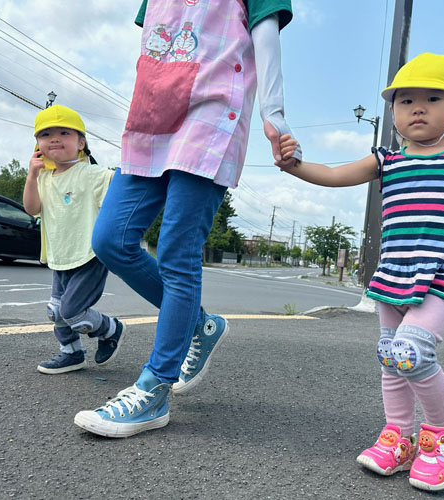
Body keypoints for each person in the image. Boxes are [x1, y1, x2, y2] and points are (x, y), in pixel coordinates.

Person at [276, 53, 444, 491]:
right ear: (393, 111)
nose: (417, 108)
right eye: (405, 101)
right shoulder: (387, 161)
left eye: (432, 98)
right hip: (395, 274)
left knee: (411, 353)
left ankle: (442, 434)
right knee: (390, 358)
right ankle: (398, 435)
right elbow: (332, 172)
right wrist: (295, 165)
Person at [73, 0, 300, 438]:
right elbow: (156, 43)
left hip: (213, 111)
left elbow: (266, 32)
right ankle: (200, 324)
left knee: (179, 254)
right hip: (154, 114)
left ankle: (154, 389)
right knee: (109, 240)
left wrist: (274, 114)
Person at [23, 105, 125, 375]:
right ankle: (71, 353)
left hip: (88, 255)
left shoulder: (92, 174)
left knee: (72, 311)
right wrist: (32, 175)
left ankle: (111, 329)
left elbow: (120, 191)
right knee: (56, 312)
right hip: (60, 256)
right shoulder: (43, 177)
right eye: (45, 134)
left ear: (81, 142)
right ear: (37, 145)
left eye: (64, 132)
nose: (54, 138)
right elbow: (32, 208)